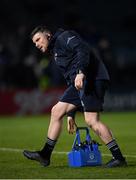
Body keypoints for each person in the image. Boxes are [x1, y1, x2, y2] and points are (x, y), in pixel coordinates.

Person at [23, 26, 127, 167]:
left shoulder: (64, 37)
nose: (37, 44)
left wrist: (80, 72)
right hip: (80, 82)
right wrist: (71, 113)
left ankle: (119, 158)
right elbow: (70, 80)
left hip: (93, 78)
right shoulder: (55, 52)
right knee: (57, 111)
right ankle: (45, 155)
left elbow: (82, 50)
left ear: (48, 35)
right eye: (34, 43)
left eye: (38, 39)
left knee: (91, 120)